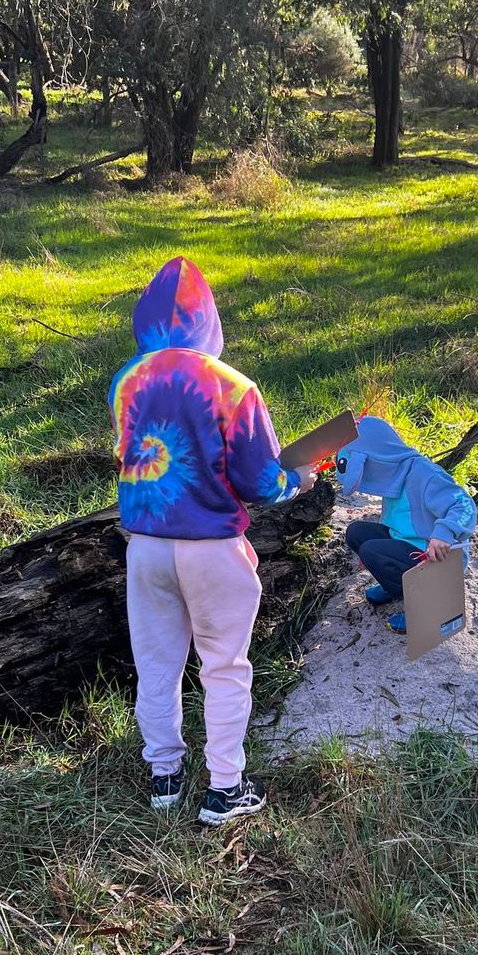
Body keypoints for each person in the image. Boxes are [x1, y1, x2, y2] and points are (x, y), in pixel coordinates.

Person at [108, 256, 314, 824]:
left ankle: (165, 776)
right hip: (212, 546)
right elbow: (258, 482)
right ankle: (224, 788)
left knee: (156, 664)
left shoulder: (125, 382)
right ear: (209, 319)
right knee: (224, 665)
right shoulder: (234, 387)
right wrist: (296, 480)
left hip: (145, 544)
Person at [337, 416, 477, 634]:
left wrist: (445, 532)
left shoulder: (425, 474)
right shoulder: (393, 475)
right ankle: (396, 587)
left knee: (372, 550)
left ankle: (428, 608)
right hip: (405, 538)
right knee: (356, 532)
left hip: (433, 552)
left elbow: (464, 504)